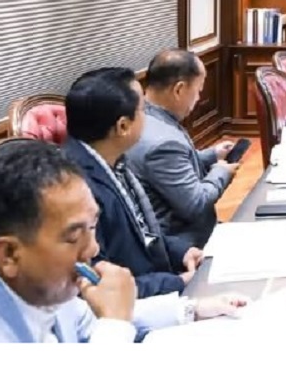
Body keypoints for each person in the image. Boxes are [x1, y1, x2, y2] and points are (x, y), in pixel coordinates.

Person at [0, 139, 247, 342]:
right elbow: (107, 323)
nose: (93, 249)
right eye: (74, 236)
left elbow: (85, 320)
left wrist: (191, 309)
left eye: (93, 226)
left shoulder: (37, 278)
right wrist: (115, 325)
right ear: (9, 254)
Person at [62, 67, 203, 298]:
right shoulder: (78, 189)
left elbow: (141, 231)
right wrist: (177, 282)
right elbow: (98, 283)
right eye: (143, 109)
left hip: (155, 277)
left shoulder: (111, 158)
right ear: (123, 127)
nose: (147, 117)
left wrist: (181, 252)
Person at [127, 49, 237, 248]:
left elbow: (175, 165)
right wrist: (221, 172)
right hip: (184, 244)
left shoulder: (144, 116)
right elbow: (196, 204)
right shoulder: (163, 142)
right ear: (179, 90)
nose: (199, 98)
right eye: (198, 90)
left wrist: (213, 155)